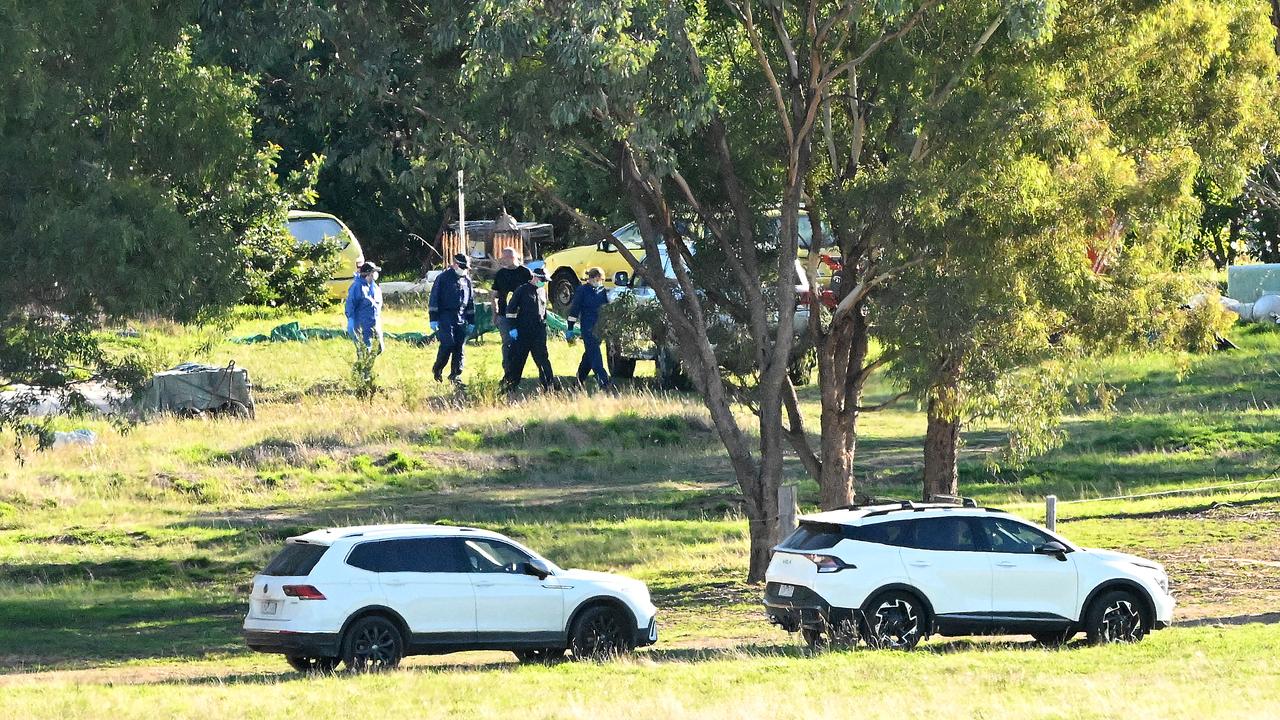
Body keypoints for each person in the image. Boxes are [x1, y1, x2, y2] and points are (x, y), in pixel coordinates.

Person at [503, 267, 556, 392]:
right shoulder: (522, 290)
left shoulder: (542, 291)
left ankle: (549, 387)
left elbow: (543, 311)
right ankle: (509, 387)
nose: (543, 283)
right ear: (535, 277)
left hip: (538, 332)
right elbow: (510, 311)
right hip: (523, 332)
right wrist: (512, 328)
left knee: (543, 359)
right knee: (517, 361)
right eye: (542, 280)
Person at [428, 254, 476, 386]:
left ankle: (455, 375)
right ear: (455, 264)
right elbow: (434, 298)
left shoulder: (467, 280)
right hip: (445, 316)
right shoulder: (443, 278)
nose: (463, 269)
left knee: (459, 347)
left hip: (461, 317)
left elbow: (470, 301)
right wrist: (433, 318)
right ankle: (438, 369)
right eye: (461, 266)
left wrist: (471, 320)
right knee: (448, 344)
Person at [566, 266, 612, 390]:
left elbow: (607, 309)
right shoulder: (582, 291)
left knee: (589, 355)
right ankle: (604, 382)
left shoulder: (602, 291)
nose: (599, 282)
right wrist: (570, 328)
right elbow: (574, 310)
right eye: (598, 279)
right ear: (593, 278)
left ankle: (579, 381)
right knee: (595, 355)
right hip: (588, 328)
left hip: (600, 328)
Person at [491, 247, 532, 374]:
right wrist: (495, 315)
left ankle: (517, 372)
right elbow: (493, 296)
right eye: (503, 257)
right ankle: (508, 371)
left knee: (521, 344)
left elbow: (534, 292)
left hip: (523, 316)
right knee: (507, 343)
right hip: (504, 315)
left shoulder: (525, 273)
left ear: (513, 257)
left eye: (506, 257)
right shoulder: (500, 274)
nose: (504, 260)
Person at [345, 261, 384, 358]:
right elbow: (350, 304)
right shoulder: (357, 286)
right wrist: (351, 321)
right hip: (362, 325)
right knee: (364, 351)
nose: (375, 275)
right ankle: (362, 371)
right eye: (373, 273)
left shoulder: (373, 287)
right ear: (368, 274)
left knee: (379, 348)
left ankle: (368, 365)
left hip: (373, 324)